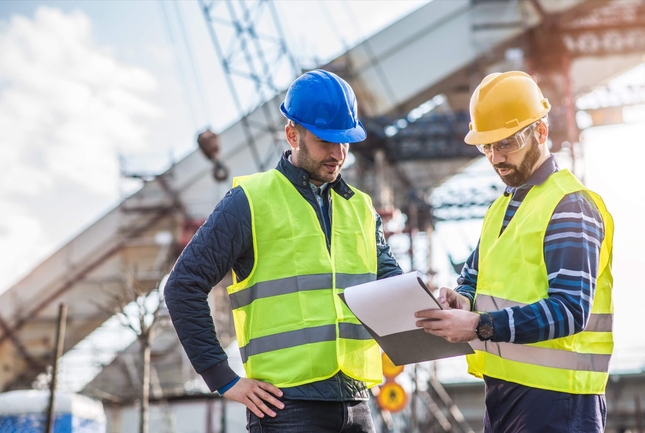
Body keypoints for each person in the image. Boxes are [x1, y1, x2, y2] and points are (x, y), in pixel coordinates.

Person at [164, 69, 403, 433]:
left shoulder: (362, 208)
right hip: (285, 408)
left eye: (345, 142)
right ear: (293, 134)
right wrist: (222, 377)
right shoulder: (250, 201)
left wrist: (435, 304)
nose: (338, 154)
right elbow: (183, 285)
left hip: (356, 403)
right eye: (326, 141)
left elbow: (392, 285)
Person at [415, 71, 614, 432]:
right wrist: (460, 299)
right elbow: (472, 278)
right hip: (505, 394)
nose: (495, 157)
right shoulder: (500, 209)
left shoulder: (568, 206)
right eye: (487, 147)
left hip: (560, 402)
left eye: (506, 143)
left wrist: (478, 325)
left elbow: (570, 310)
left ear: (540, 132)